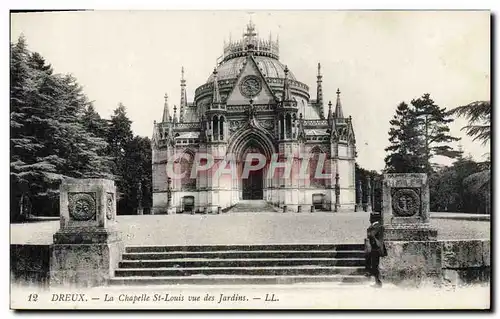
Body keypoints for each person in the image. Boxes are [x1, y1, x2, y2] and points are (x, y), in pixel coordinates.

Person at [364, 221, 387, 287]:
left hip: (376, 249)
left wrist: (372, 235)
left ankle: (378, 282)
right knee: (374, 266)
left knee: (375, 267)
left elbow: (378, 239)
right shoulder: (374, 226)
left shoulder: (379, 227)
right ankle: (377, 282)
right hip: (374, 249)